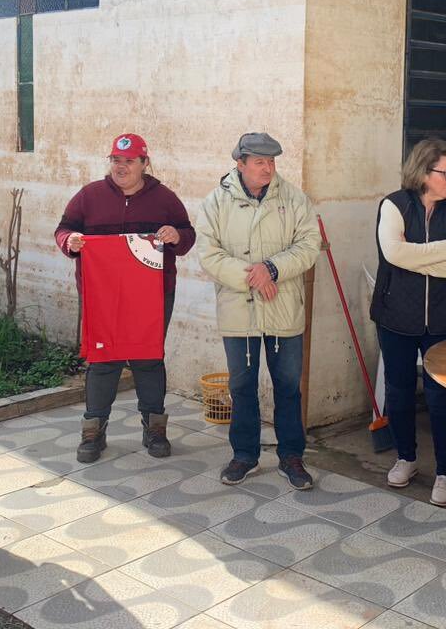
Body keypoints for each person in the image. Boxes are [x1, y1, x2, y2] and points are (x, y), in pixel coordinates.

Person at [54, 133, 195, 462]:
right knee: (104, 360)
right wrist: (70, 240)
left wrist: (177, 235)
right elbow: (63, 229)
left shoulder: (165, 199)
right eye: (116, 160)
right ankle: (94, 430)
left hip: (154, 296)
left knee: (148, 359)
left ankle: (155, 428)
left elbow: (187, 234)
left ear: (144, 163)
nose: (121, 166)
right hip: (102, 296)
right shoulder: (89, 197)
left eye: (129, 161)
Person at [195, 132, 322, 490]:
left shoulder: (294, 199)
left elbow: (309, 244)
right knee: (242, 385)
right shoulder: (216, 202)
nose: (268, 169)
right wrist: (253, 276)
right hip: (239, 311)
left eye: (272, 162)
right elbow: (209, 253)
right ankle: (244, 455)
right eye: (259, 162)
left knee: (288, 386)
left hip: (282, 307)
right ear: (240, 164)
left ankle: (292, 455)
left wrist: (273, 268)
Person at [371, 138, 446, 507]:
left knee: (441, 397)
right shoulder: (394, 205)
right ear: (423, 172)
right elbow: (393, 253)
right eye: (445, 173)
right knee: (399, 392)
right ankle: (406, 458)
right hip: (396, 314)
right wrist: (441, 249)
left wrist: (421, 259)